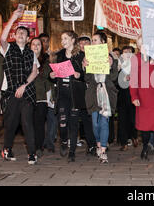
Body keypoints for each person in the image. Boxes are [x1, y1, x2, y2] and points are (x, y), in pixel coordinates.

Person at [0, 8, 39, 165]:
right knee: (11, 123)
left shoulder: (32, 53)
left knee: (27, 123)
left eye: (24, 33)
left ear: (28, 38)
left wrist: (24, 86)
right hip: (11, 93)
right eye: (19, 33)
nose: (21, 34)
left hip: (27, 93)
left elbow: (35, 72)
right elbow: (2, 37)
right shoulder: (8, 48)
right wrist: (13, 18)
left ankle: (32, 154)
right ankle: (7, 150)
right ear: (15, 36)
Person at [50, 30, 95, 162]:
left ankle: (72, 152)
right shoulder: (58, 55)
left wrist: (79, 74)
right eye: (62, 39)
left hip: (75, 93)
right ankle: (64, 140)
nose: (62, 41)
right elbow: (52, 74)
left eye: (65, 38)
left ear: (72, 40)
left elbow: (86, 75)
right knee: (62, 122)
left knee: (74, 123)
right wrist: (51, 76)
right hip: (62, 93)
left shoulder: (81, 56)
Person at [83, 31, 118, 164]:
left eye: (95, 40)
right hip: (93, 94)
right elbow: (86, 78)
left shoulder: (111, 58)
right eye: (92, 40)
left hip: (107, 94)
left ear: (103, 42)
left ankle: (103, 150)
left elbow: (114, 78)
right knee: (95, 123)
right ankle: (98, 143)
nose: (92, 42)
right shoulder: (88, 57)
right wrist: (85, 67)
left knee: (104, 122)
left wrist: (110, 66)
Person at [129, 36, 154, 164]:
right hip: (143, 96)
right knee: (145, 128)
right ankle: (145, 147)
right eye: (141, 43)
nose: (143, 45)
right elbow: (133, 80)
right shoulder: (135, 59)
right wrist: (134, 97)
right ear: (138, 46)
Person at [30, 37, 51, 158]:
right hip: (28, 96)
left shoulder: (46, 61)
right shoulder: (26, 59)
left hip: (41, 96)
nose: (36, 46)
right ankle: (31, 145)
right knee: (29, 123)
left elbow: (48, 78)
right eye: (34, 44)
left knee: (39, 123)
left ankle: (39, 146)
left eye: (38, 44)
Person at [117, 46, 138, 151]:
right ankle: (123, 142)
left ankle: (134, 136)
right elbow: (114, 80)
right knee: (122, 120)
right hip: (121, 97)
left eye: (129, 52)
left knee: (133, 119)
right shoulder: (118, 65)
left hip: (133, 97)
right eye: (125, 52)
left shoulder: (136, 65)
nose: (127, 54)